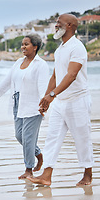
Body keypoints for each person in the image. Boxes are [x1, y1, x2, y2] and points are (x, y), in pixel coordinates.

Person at [28, 14, 94, 186]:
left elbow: (71, 75)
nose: (56, 26)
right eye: (56, 23)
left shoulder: (77, 48)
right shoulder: (60, 49)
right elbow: (56, 76)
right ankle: (46, 176)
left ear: (70, 25)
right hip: (60, 101)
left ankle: (88, 175)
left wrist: (52, 95)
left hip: (78, 99)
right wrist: (46, 97)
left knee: (82, 138)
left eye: (59, 23)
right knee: (52, 137)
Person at [0, 34, 49, 179]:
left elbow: (43, 86)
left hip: (33, 104)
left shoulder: (41, 65)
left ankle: (28, 169)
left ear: (35, 47)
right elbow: (6, 81)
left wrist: (43, 105)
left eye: (26, 44)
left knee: (28, 138)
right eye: (22, 44)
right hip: (17, 103)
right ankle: (38, 154)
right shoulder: (19, 62)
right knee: (19, 136)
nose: (23, 47)